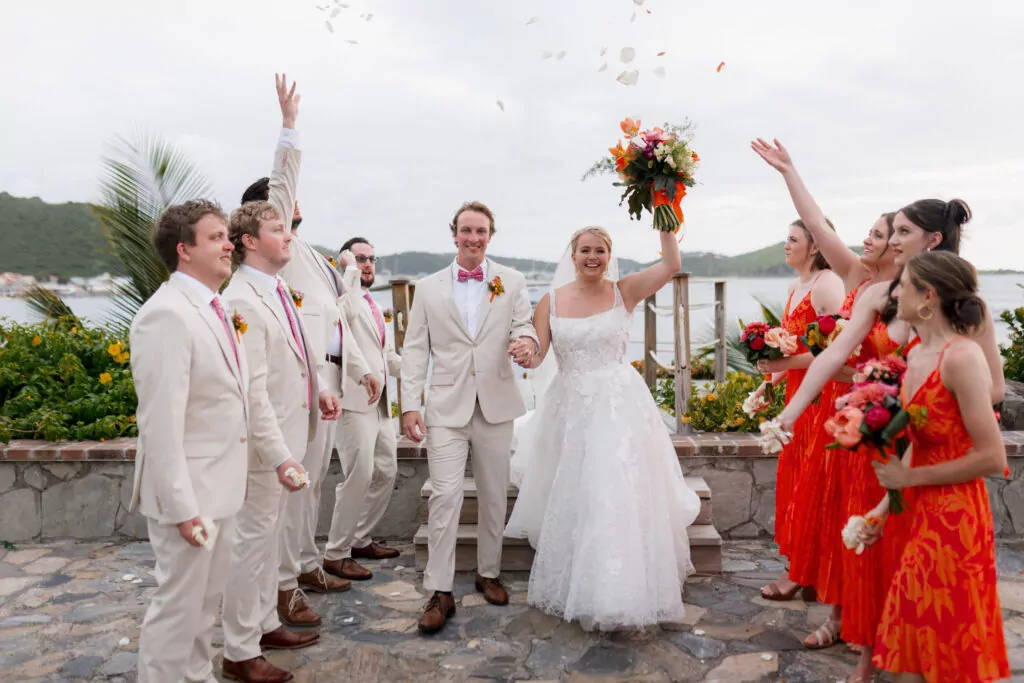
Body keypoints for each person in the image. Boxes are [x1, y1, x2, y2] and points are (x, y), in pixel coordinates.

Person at [768, 195, 1004, 683]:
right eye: (890, 231)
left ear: (932, 241)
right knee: (885, 567)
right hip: (887, 448)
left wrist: (920, 404)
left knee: (939, 598)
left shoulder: (960, 324)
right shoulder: (887, 301)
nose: (892, 240)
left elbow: (992, 396)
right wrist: (791, 415)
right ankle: (871, 654)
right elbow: (834, 355)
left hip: (930, 457)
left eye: (901, 231)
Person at [504, 226, 702, 631]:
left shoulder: (623, 291)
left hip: (617, 408)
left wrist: (665, 217)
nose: (592, 257)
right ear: (573, 255)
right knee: (580, 491)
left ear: (609, 256)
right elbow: (539, 355)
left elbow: (671, 264)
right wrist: (525, 352)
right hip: (571, 408)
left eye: (599, 250)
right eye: (585, 250)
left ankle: (619, 589)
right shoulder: (551, 301)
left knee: (614, 489)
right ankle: (582, 581)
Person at [240, 75, 380, 626]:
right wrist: (289, 128)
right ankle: (283, 585)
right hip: (297, 392)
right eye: (282, 207)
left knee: (313, 485)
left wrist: (360, 371)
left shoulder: (311, 255)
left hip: (327, 386)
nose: (294, 206)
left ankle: (304, 564)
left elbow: (340, 320)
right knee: (294, 489)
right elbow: (282, 182)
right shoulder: (277, 257)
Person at [752, 137, 901, 650]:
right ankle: (840, 617)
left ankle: (876, 621)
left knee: (872, 522)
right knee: (841, 514)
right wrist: (788, 171)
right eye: (873, 232)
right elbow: (818, 225)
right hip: (843, 416)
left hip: (884, 422)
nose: (868, 239)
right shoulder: (857, 277)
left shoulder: (909, 294)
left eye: (879, 234)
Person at [868, 251, 1009, 682]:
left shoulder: (961, 357)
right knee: (916, 635)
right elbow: (922, 442)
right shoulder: (915, 355)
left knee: (946, 638)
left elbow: (993, 456)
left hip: (955, 517)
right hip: (918, 510)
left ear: (927, 295)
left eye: (903, 285)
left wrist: (909, 478)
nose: (894, 293)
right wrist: (881, 509)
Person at [400, 201, 538, 634]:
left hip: (496, 403)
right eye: (466, 230)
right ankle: (439, 590)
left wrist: (527, 343)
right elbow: (415, 350)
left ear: (490, 236)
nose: (473, 238)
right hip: (446, 407)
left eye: (480, 231)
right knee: (445, 496)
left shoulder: (512, 281)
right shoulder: (428, 288)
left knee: (494, 495)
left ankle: (488, 572)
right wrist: (409, 404)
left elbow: (525, 325)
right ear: (454, 234)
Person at [221, 199, 342, 683]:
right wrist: (279, 457)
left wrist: (322, 389)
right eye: (277, 229)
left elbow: (297, 352)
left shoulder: (276, 289)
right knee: (250, 547)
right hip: (263, 450)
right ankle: (238, 649)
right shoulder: (242, 300)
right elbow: (252, 392)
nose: (289, 235)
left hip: (292, 433)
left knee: (269, 542)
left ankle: (266, 623)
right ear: (250, 241)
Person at [130, 200, 248, 683]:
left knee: (203, 611)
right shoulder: (167, 315)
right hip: (190, 496)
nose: (229, 245)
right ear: (184, 250)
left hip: (219, 487)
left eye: (228, 236)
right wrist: (183, 509)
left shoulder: (215, 308)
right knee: (177, 614)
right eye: (217, 237)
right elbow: (160, 423)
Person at [751, 218, 844, 602]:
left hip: (821, 396)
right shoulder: (795, 287)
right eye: (785, 239)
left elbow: (835, 351)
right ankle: (804, 566)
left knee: (811, 485)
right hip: (796, 395)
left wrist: (784, 365)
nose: (786, 245)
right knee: (796, 483)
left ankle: (802, 573)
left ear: (815, 246)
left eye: (793, 239)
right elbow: (794, 346)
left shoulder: (828, 285)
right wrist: (768, 382)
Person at [321, 237, 403, 581]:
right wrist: (349, 273)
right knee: (359, 474)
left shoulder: (375, 305)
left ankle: (359, 539)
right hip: (353, 400)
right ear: (346, 262)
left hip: (380, 404)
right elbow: (347, 315)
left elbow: (387, 356)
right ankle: (336, 553)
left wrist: (423, 366)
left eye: (371, 259)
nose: (368, 264)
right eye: (360, 259)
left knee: (386, 470)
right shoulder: (343, 297)